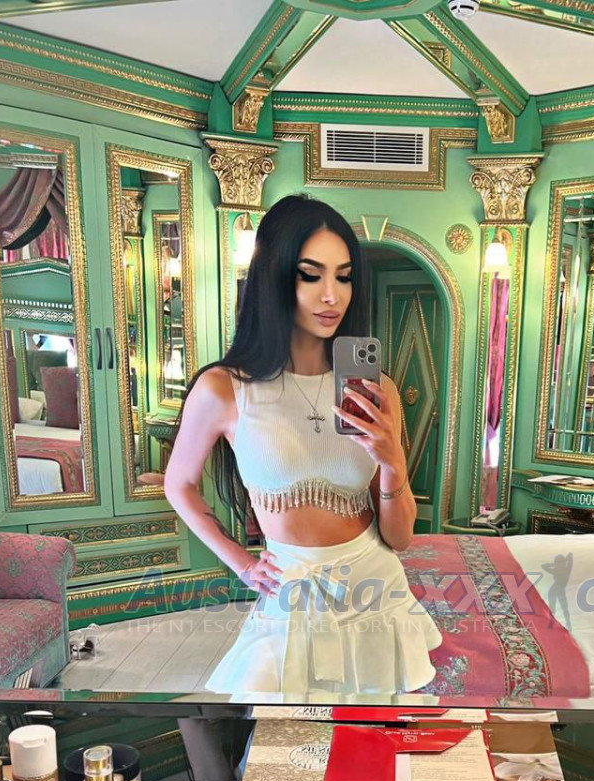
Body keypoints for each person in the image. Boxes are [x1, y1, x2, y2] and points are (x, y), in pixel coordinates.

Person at [164, 194, 441, 699]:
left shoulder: (376, 389)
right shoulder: (225, 388)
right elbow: (178, 484)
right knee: (275, 731)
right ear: (274, 278)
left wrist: (394, 464)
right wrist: (241, 562)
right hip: (289, 589)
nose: (332, 295)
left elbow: (400, 538)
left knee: (369, 739)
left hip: (375, 589)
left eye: (344, 276)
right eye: (311, 275)